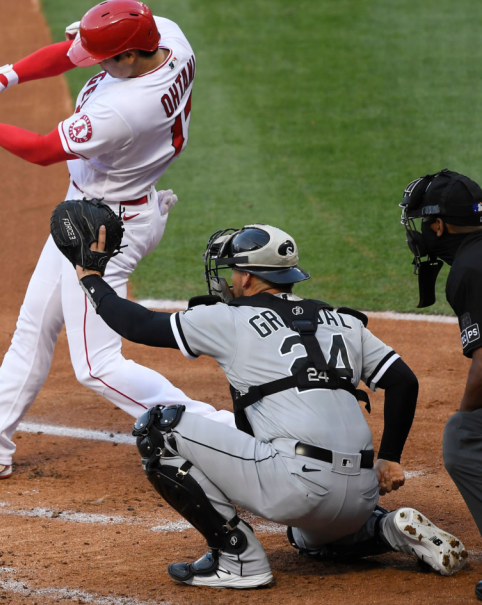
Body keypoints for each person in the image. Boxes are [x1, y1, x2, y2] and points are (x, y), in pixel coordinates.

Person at [0, 0, 235, 485]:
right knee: (34, 327)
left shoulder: (126, 109)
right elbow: (70, 52)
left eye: (104, 58)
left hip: (107, 229)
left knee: (97, 365)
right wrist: (1, 80)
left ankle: (224, 434)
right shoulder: (167, 36)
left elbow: (44, 150)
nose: (90, 62)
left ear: (129, 57)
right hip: (92, 211)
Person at [77, 222, 466, 588]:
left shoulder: (229, 318)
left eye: (232, 270)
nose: (229, 279)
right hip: (362, 494)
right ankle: (384, 528)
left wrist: (91, 279)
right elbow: (403, 381)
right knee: (309, 538)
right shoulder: (343, 322)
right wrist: (391, 457)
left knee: (158, 429)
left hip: (295, 488)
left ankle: (237, 560)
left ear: (247, 277)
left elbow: (139, 326)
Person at [399, 169, 482, 600]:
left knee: (464, 436)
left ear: (438, 226)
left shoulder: (469, 268)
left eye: (422, 224)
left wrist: (467, 412)